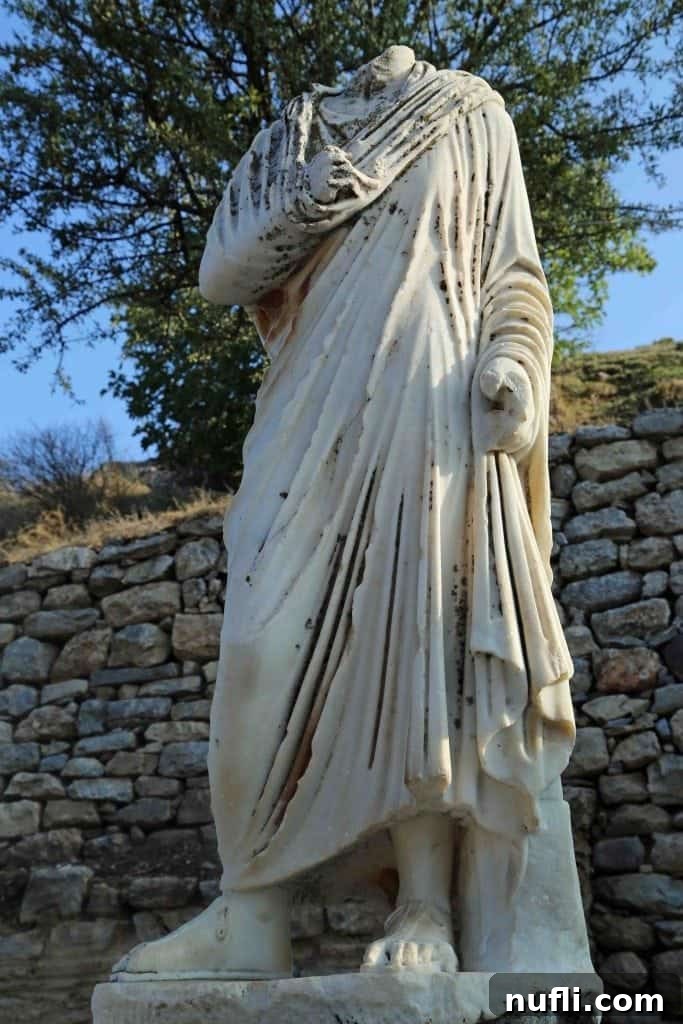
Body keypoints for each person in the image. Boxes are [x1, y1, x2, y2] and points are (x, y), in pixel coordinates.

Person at [113, 45, 587, 982]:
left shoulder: (467, 110)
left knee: (416, 639)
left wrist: (513, 363)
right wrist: (313, 195)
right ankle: (250, 913)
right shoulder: (295, 132)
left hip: (429, 392)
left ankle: (425, 905)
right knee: (257, 647)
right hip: (305, 407)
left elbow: (513, 273)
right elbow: (221, 273)